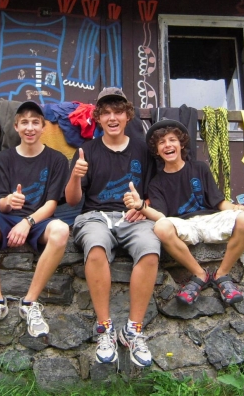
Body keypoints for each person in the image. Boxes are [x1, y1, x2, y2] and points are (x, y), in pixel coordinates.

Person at [65, 87, 159, 368]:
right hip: (95, 215)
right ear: (98, 118)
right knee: (95, 245)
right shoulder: (87, 151)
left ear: (128, 115)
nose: (112, 118)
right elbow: (72, 200)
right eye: (105, 113)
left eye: (118, 111)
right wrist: (75, 177)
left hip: (134, 217)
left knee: (150, 248)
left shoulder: (143, 149)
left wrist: (143, 206)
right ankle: (104, 328)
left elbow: (156, 190)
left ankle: (133, 330)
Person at [123, 119, 244, 307]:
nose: (167, 145)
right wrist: (140, 205)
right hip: (183, 224)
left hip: (210, 219)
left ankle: (222, 274)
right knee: (161, 227)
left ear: (181, 144)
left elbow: (218, 202)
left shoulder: (199, 168)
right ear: (157, 150)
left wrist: (236, 208)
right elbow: (161, 217)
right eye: (162, 142)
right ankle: (199, 274)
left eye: (172, 140)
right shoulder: (156, 183)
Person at [0, 101, 70, 339]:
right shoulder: (4, 158)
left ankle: (29, 303)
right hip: (6, 219)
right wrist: (9, 201)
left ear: (43, 127)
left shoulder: (57, 160)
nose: (30, 127)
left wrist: (27, 222)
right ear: (16, 127)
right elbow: (0, 203)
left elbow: (51, 204)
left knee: (62, 230)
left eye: (35, 122)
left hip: (39, 221)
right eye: (24, 122)